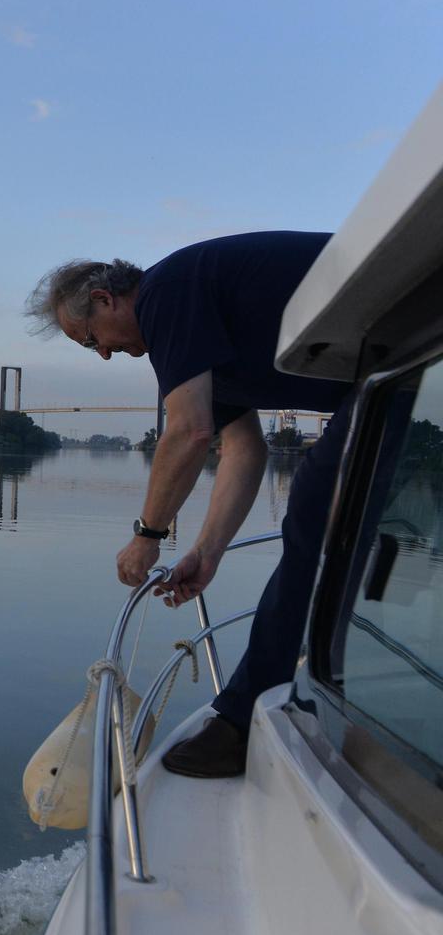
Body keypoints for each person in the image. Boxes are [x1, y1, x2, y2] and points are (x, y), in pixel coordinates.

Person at [23, 231, 352, 777]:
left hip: (406, 346)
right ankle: (319, 683)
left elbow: (189, 432)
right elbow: (244, 448)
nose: (103, 354)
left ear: (106, 298)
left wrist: (148, 535)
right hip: (379, 377)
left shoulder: (167, 295)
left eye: (90, 339)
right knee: (327, 519)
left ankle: (243, 720)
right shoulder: (198, 334)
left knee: (316, 508)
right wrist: (208, 550)